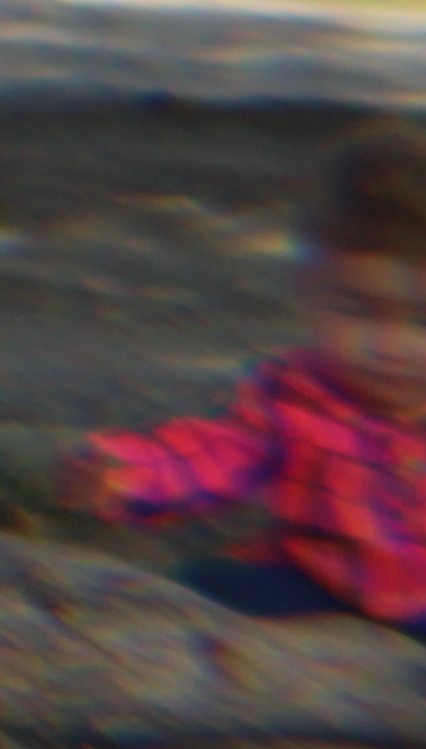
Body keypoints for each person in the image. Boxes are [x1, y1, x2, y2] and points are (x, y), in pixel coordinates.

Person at [59, 118, 426, 632]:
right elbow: (217, 453)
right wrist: (131, 471)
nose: (390, 346)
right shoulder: (295, 399)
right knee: (190, 591)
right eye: (356, 310)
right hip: (316, 581)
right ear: (310, 294)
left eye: (421, 320)